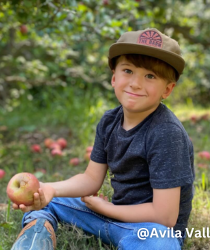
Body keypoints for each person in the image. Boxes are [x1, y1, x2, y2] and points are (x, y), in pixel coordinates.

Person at [11, 28, 195, 250]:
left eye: (150, 76)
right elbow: (91, 179)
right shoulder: (109, 121)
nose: (136, 83)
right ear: (114, 78)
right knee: (47, 203)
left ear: (168, 89)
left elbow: (164, 216)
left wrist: (104, 208)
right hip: (112, 216)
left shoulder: (166, 132)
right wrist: (49, 189)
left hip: (148, 229)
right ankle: (34, 241)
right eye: (128, 71)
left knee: (160, 243)